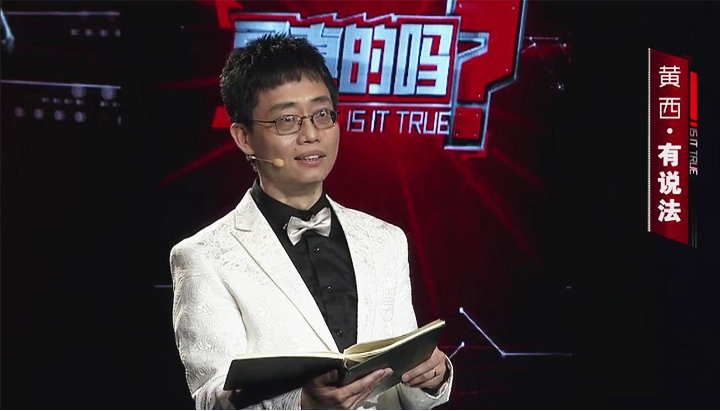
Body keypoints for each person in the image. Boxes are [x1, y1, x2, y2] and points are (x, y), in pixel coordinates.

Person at [170, 33, 453, 410]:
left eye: (322, 115)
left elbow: (402, 392)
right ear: (244, 137)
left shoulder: (386, 240)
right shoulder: (203, 255)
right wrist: (302, 404)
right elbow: (210, 398)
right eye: (287, 120)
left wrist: (432, 378)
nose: (311, 135)